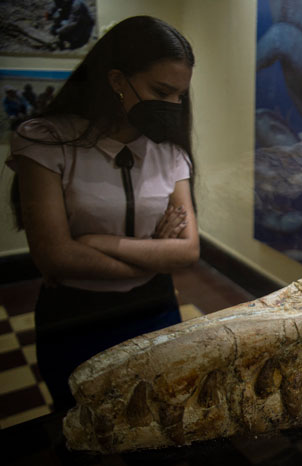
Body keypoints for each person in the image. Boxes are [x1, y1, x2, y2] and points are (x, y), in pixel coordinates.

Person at [6, 16, 199, 410]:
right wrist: (150, 256)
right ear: (117, 81)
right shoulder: (45, 141)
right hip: (77, 318)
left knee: (159, 416)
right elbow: (54, 256)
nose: (173, 106)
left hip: (155, 308)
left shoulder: (170, 151)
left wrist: (97, 243)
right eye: (162, 91)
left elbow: (187, 251)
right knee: (83, 423)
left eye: (180, 95)